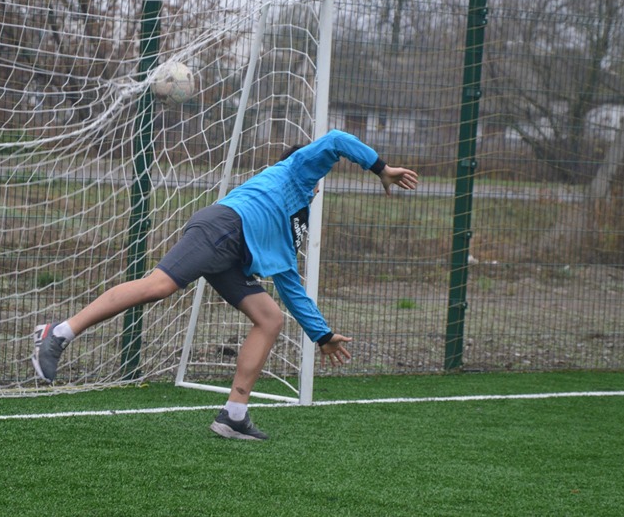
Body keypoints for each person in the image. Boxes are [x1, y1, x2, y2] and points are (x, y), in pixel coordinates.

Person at [31, 129, 418, 440]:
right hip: (222, 228)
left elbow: (289, 286)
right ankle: (59, 332)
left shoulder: (295, 223)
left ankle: (234, 415)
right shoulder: (297, 170)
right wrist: (380, 167)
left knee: (269, 318)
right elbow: (336, 140)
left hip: (232, 255)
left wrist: (322, 335)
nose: (320, 184)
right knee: (159, 286)